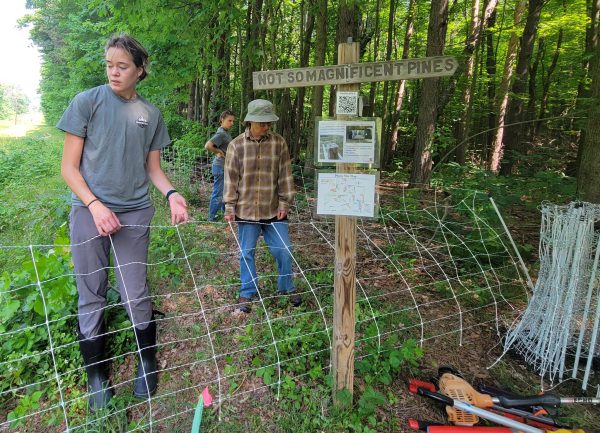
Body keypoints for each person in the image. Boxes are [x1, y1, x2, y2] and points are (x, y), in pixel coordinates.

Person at [58, 34, 188, 410]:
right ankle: (96, 373)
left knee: (135, 291)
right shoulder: (87, 102)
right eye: (109, 65)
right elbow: (68, 168)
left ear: (140, 70)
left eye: (123, 66)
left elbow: (154, 170)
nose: (114, 72)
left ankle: (146, 363)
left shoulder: (150, 114)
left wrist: (172, 194)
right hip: (88, 212)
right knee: (92, 290)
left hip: (134, 213)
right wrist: (96, 205)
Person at [223, 99, 301, 313]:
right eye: (263, 122)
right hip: (246, 210)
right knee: (246, 252)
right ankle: (247, 292)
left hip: (274, 210)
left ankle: (286, 288)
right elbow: (230, 178)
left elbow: (285, 174)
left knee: (284, 251)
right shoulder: (236, 145)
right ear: (251, 121)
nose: (267, 126)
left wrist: (285, 201)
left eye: (269, 122)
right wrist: (229, 207)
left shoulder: (279, 143)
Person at [205, 110, 235, 221]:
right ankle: (211, 218)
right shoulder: (221, 133)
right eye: (229, 120)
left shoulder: (225, 132)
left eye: (233, 121)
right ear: (222, 120)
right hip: (220, 167)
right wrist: (218, 151)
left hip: (224, 167)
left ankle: (223, 214)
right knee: (218, 192)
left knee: (223, 192)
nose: (231, 123)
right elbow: (208, 145)